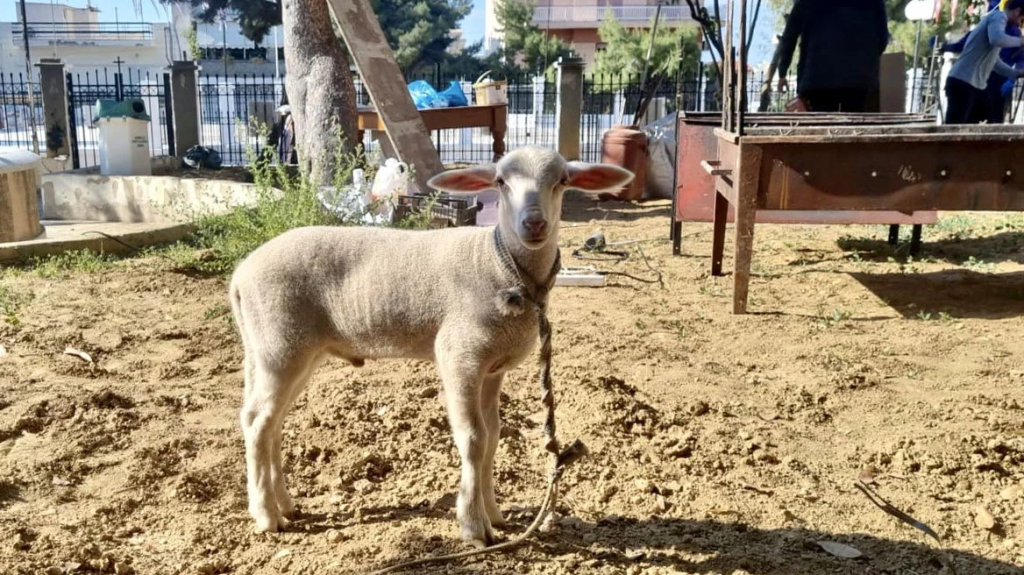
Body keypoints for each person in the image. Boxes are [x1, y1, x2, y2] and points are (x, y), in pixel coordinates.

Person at [776, 0, 889, 113]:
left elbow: (789, 38)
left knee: (821, 123)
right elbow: (883, 37)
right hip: (859, 77)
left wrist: (782, 71)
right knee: (857, 121)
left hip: (818, 77)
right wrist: (866, 58)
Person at [942, 0, 1024, 123]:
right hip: (962, 82)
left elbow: (995, 63)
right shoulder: (998, 16)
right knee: (954, 128)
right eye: (1021, 19)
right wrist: (1020, 42)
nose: (1019, 24)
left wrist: (1015, 73)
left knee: (988, 125)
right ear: (1017, 12)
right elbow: (997, 39)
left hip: (976, 86)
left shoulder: (996, 28)